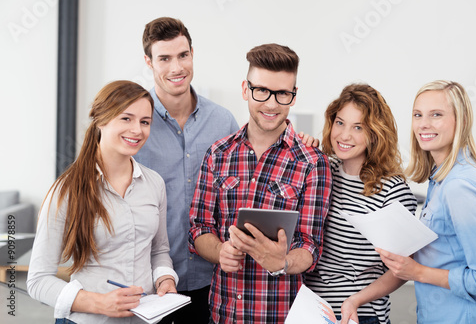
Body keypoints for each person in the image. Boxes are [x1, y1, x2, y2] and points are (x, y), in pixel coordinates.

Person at [188, 43, 333, 324]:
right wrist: (220, 252)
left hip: (280, 316)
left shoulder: (313, 163)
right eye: (262, 91)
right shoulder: (217, 154)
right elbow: (199, 228)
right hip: (223, 315)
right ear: (246, 89)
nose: (271, 104)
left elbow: (310, 245)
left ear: (294, 96)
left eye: (282, 94)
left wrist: (283, 262)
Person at [27, 80, 178, 324]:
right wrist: (100, 303)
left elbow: (159, 251)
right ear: (101, 120)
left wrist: (165, 280)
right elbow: (38, 280)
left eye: (145, 122)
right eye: (126, 118)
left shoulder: (154, 184)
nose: (137, 130)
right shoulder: (66, 190)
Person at [133, 17, 239, 324]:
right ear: (149, 62)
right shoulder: (134, 124)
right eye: (164, 58)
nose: (176, 68)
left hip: (211, 281)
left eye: (183, 55)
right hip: (147, 283)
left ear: (192, 53)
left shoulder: (223, 122)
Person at [377, 80, 476, 323]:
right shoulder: (442, 177)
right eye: (418, 115)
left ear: (461, 121)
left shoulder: (458, 187)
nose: (424, 123)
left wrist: (417, 272)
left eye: (436, 115)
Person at [304, 84, 418, 324]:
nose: (345, 135)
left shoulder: (392, 190)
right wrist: (303, 151)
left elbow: (402, 269)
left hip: (360, 313)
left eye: (358, 127)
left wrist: (355, 300)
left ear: (375, 133)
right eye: (340, 123)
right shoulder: (322, 170)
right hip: (310, 307)